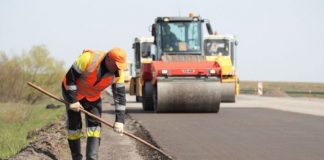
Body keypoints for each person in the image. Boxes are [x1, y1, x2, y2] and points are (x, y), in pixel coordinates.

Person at [62, 48, 127, 160]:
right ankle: (76, 157)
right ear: (108, 60)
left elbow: (120, 98)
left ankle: (92, 158)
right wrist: (73, 100)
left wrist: (120, 121)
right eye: (116, 65)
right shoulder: (88, 58)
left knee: (95, 128)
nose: (118, 69)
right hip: (72, 92)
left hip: (92, 97)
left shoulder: (119, 73)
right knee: (74, 127)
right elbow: (70, 78)